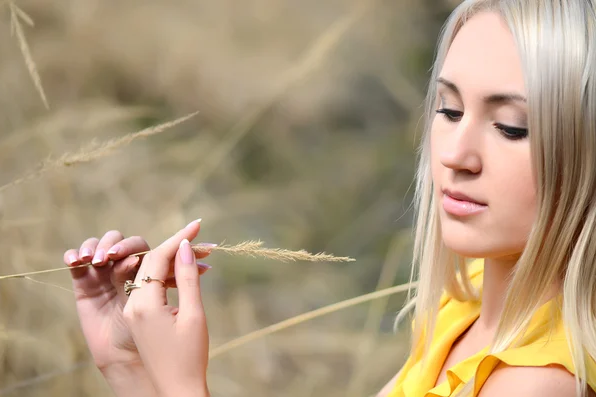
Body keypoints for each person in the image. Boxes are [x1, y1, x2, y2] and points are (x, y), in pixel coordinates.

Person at [64, 0, 596, 396]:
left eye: (510, 127)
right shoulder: (472, 303)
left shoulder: (536, 383)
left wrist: (183, 386)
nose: (457, 154)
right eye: (449, 110)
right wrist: (130, 367)